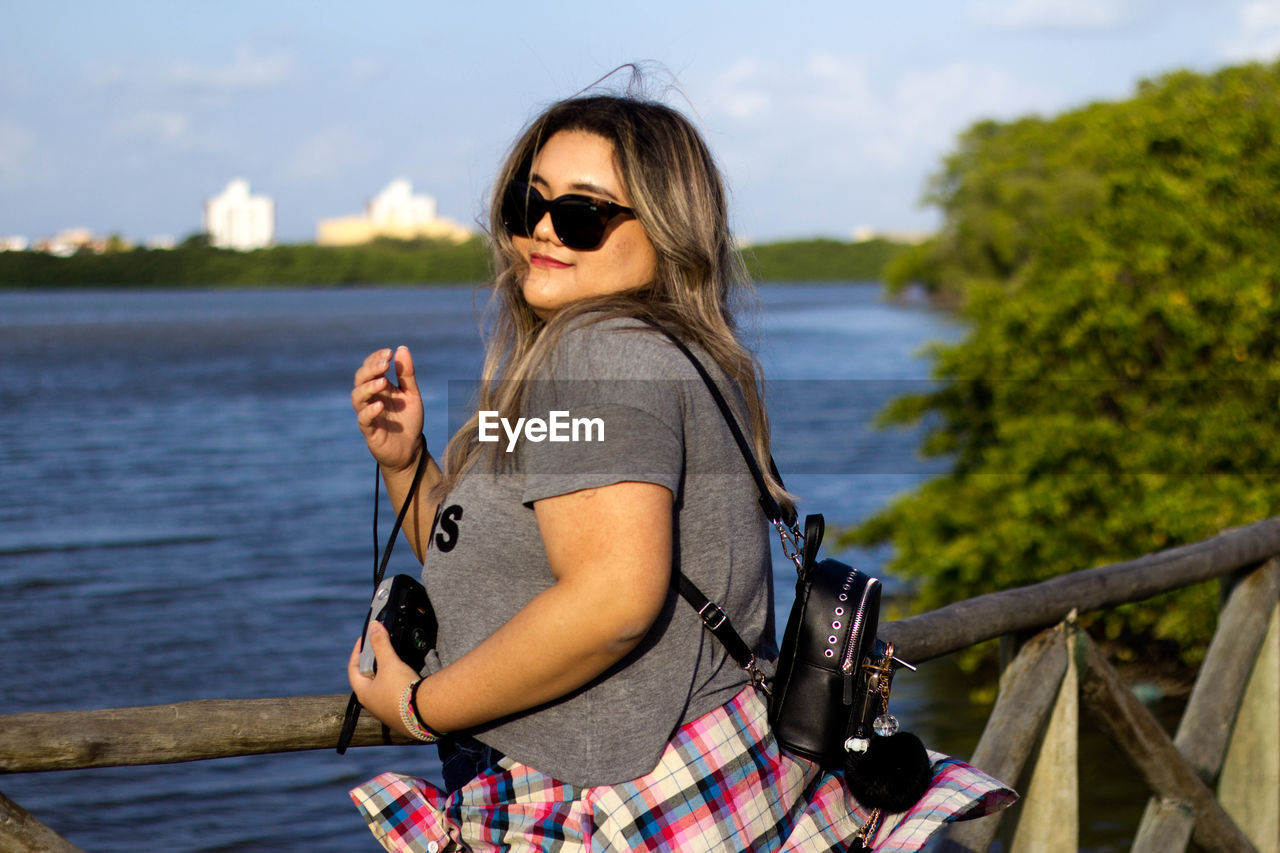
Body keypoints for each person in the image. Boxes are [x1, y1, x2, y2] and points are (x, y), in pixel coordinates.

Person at [346, 88, 1013, 852]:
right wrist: (410, 463)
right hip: (700, 773)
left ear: (665, 234)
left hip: (598, 798)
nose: (540, 230)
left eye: (582, 214)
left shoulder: (597, 356)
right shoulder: (683, 356)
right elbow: (499, 562)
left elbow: (611, 601)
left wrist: (420, 704)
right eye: (527, 202)